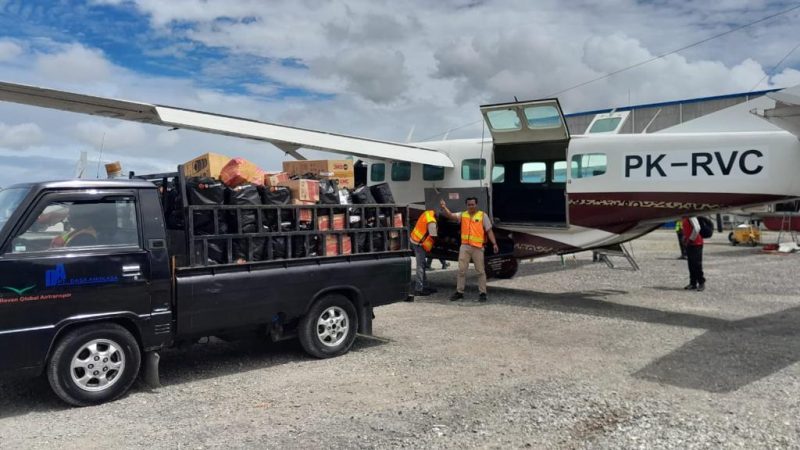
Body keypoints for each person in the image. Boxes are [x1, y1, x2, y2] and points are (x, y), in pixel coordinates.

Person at [439, 197, 499, 302]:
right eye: (469, 204)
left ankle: (483, 293)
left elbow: (489, 231)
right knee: (461, 271)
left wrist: (494, 243)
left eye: (473, 204)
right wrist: (444, 207)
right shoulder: (463, 215)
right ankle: (459, 292)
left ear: (476, 205)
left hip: (478, 247)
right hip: (465, 247)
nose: (471, 206)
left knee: (480, 271)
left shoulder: (482, 216)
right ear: (466, 205)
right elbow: (451, 216)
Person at [409, 209, 439, 297]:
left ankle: (424, 286)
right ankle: (419, 289)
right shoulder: (432, 222)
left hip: (414, 239)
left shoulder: (427, 213)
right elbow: (433, 236)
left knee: (422, 264)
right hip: (419, 244)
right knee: (420, 266)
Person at [681, 215, 705, 291]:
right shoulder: (684, 217)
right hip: (689, 243)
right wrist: (685, 237)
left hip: (696, 243)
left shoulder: (691, 216)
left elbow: (697, 228)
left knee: (697, 264)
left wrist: (691, 239)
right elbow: (687, 229)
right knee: (691, 264)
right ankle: (693, 283)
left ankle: (701, 282)